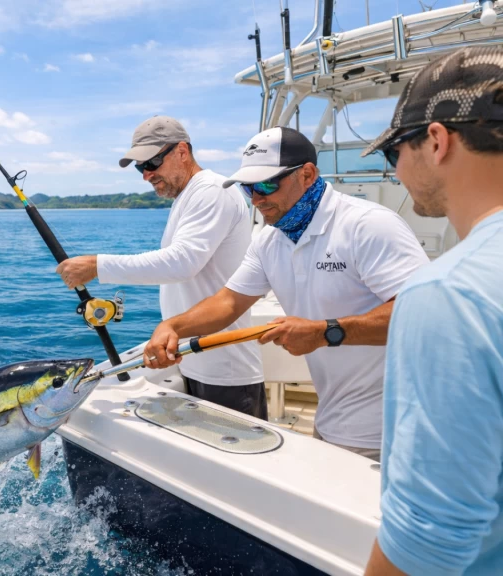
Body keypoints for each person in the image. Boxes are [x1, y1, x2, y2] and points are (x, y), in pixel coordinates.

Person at [144, 126, 429, 461]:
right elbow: (229, 301)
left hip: (398, 428)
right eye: (248, 188)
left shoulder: (366, 225)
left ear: (307, 174)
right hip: (333, 420)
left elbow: (422, 314)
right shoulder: (269, 240)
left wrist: (325, 332)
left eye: (266, 184)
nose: (257, 198)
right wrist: (174, 327)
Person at [360, 46, 503, 576]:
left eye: (393, 151)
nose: (395, 169)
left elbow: (431, 536)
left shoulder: (448, 292)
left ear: (437, 141)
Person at [55, 116, 266, 418]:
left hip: (225, 369)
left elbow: (182, 263)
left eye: (152, 163)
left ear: (182, 151)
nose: (146, 175)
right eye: (141, 167)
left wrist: (97, 266)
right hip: (194, 359)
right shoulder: (188, 196)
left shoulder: (211, 190)